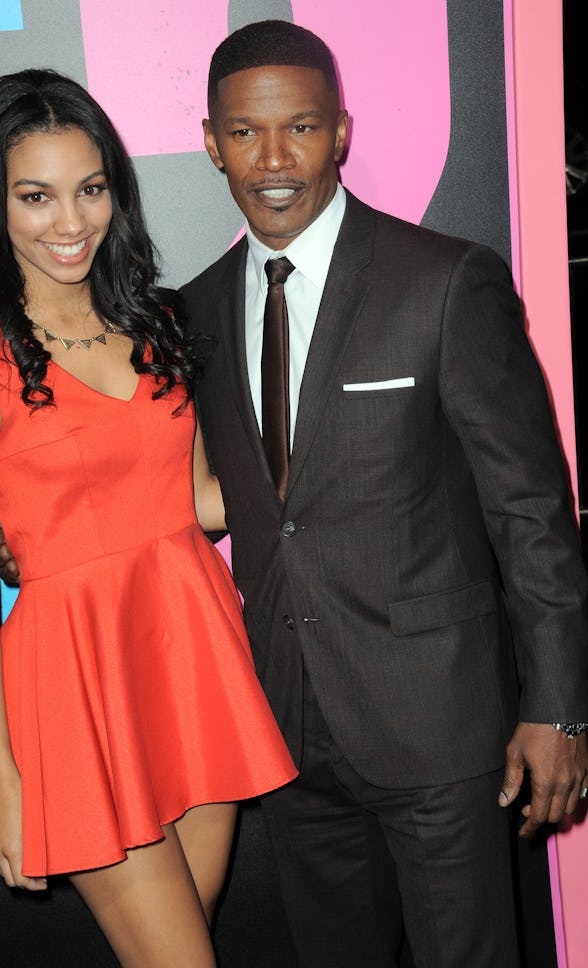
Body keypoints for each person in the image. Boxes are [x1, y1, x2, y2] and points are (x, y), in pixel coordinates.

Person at [179, 19, 588, 968]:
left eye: (302, 128)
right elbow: (199, 494)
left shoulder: (444, 282)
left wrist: (561, 706)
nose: (274, 159)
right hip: (284, 730)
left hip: (442, 728)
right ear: (210, 142)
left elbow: (532, 510)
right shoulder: (190, 311)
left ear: (343, 132)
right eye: (244, 133)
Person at [0, 67, 296, 968]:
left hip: (195, 660)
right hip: (72, 691)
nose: (70, 222)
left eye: (89, 190)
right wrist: (5, 778)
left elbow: (204, 499)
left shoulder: (158, 322)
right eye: (36, 196)